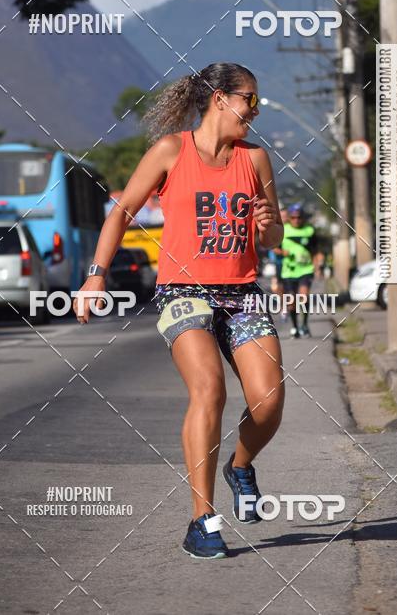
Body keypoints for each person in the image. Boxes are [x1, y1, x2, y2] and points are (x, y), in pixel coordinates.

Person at [74, 63, 284, 559]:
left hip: (241, 292)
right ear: (219, 100)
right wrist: (95, 275)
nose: (255, 110)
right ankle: (201, 520)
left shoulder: (256, 159)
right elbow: (121, 212)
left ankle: (240, 466)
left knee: (269, 401)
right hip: (182, 292)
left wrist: (269, 223)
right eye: (249, 99)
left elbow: (272, 239)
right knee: (209, 387)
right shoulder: (171, 151)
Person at [278, 204, 318, 338]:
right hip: (288, 271)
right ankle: (295, 327)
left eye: (299, 217)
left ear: (303, 218)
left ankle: (305, 325)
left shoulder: (309, 231)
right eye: (293, 217)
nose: (296, 220)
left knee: (304, 296)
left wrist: (318, 267)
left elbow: (316, 251)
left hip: (305, 269)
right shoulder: (283, 230)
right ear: (289, 218)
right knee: (291, 301)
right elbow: (273, 247)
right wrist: (282, 252)